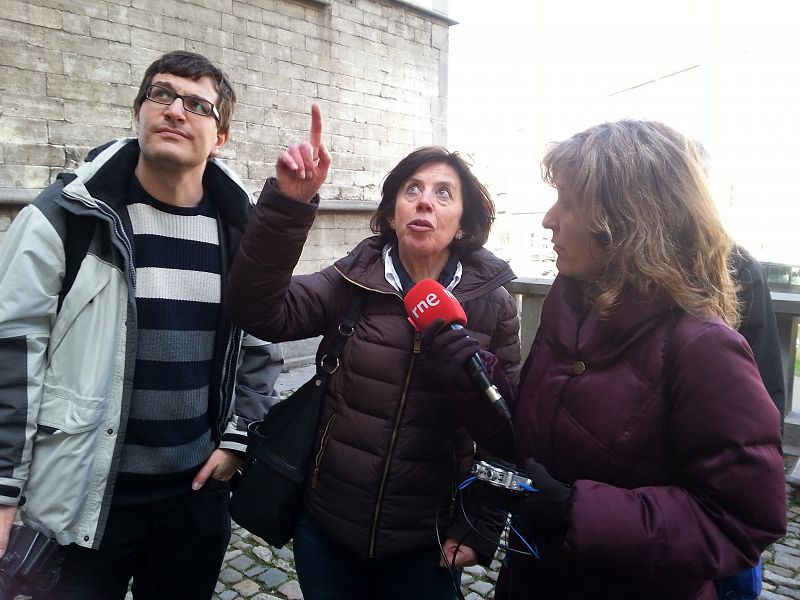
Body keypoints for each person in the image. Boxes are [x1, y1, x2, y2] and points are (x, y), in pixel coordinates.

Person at [423, 119, 787, 599]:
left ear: (627, 218)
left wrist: (578, 510)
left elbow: (744, 519)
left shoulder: (703, 346)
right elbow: (532, 442)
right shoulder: (567, 304)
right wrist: (474, 376)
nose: (549, 219)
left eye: (568, 202)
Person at [0, 50, 282, 599]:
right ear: (139, 112)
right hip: (85, 498)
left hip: (196, 498)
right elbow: (12, 351)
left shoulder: (241, 232)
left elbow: (262, 343)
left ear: (219, 136)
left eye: (198, 104)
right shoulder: (67, 216)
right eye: (161, 94)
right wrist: (3, 489)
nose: (176, 110)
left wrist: (237, 440)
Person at [225, 105, 521, 599]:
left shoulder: (492, 304)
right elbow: (258, 311)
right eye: (412, 190)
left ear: (464, 225)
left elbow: (508, 426)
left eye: (443, 193)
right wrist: (289, 206)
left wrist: (482, 524)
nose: (425, 201)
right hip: (326, 532)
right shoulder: (351, 279)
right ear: (391, 213)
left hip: (425, 544)